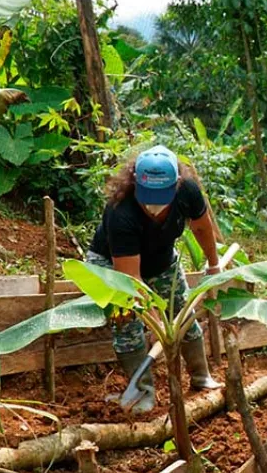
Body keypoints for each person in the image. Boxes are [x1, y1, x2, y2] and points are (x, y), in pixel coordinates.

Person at [87, 145, 223, 414]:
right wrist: (156, 321)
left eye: (162, 197)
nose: (154, 205)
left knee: (183, 313)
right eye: (149, 197)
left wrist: (213, 264)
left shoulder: (188, 192)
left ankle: (201, 376)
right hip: (113, 266)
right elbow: (131, 279)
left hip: (162, 260)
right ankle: (142, 393)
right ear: (135, 181)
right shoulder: (120, 211)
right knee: (126, 324)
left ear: (177, 184)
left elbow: (201, 227)